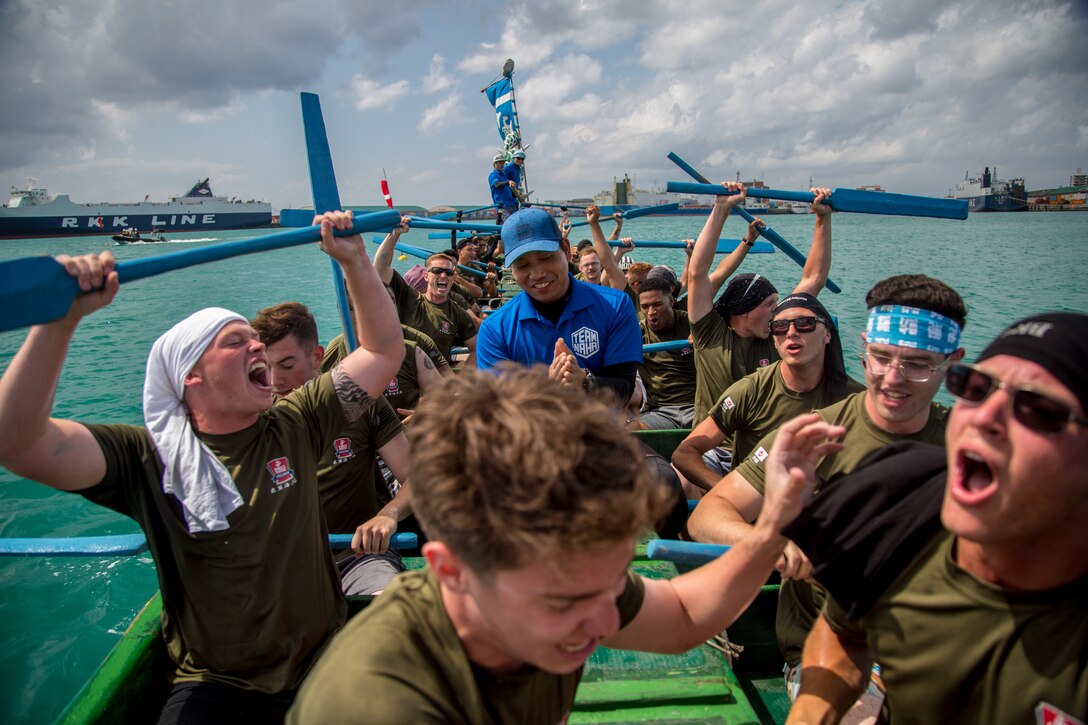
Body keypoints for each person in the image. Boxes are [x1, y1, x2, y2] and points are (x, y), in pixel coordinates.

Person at [0, 211, 404, 721]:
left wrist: (353, 260)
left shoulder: (296, 422)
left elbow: (384, 349)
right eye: (235, 342)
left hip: (322, 662)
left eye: (253, 339)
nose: (256, 345)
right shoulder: (146, 458)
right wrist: (60, 321)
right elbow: (18, 441)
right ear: (190, 376)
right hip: (217, 686)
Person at [287, 366, 848, 724]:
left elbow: (679, 615)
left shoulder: (564, 591)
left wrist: (772, 523)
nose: (604, 621)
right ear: (451, 571)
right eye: (564, 602)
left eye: (611, 583)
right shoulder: (378, 702)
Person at [785, 312, 1088, 725]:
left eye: (1037, 409)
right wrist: (809, 714)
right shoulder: (901, 507)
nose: (983, 417)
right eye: (976, 389)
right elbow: (844, 632)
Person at [687, 274, 967, 718]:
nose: (893, 380)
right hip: (831, 643)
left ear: (953, 362)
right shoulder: (814, 433)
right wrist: (769, 543)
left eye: (917, 365)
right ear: (862, 347)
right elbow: (708, 514)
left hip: (941, 646)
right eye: (879, 359)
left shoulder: (970, 443)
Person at [251, 302, 415, 595]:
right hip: (288, 566)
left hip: (359, 557)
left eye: (287, 366)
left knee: (389, 609)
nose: (275, 381)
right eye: (265, 368)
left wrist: (388, 515)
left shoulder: (365, 405)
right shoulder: (257, 419)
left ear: (316, 357)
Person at [672, 293, 862, 495]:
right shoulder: (751, 390)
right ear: (774, 340)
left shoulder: (856, 398)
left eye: (805, 324)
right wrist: (727, 494)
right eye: (779, 326)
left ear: (827, 334)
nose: (791, 332)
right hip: (756, 502)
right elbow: (685, 452)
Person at [687, 183, 834, 427]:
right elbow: (697, 273)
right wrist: (721, 208)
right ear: (744, 310)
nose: (778, 311)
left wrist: (822, 218)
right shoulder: (709, 334)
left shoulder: (777, 334)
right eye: (770, 304)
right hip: (714, 448)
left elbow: (814, 279)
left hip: (763, 446)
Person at [475, 207, 642, 404]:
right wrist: (548, 389)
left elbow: (624, 387)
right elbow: (497, 407)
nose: (537, 273)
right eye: (522, 265)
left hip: (598, 430)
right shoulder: (495, 329)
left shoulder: (615, 306)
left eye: (545, 257)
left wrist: (585, 382)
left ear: (565, 250)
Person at [374, 218, 478, 367]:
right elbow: (380, 267)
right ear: (426, 276)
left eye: (448, 273)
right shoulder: (409, 297)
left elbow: (477, 349)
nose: (443, 275)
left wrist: (460, 381)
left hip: (435, 378)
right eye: (437, 271)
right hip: (403, 375)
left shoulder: (458, 312)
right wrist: (395, 234)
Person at [634, 274, 697, 430]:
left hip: (697, 407)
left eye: (657, 304)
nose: (651, 312)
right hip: (660, 411)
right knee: (629, 434)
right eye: (645, 307)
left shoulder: (692, 324)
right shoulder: (637, 332)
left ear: (671, 301)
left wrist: (703, 338)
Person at [489, 154, 518, 219]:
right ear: (494, 164)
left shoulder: (503, 175)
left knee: (517, 222)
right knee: (508, 223)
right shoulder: (493, 175)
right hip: (503, 205)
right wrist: (508, 182)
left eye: (503, 163)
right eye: (500, 163)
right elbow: (496, 185)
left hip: (511, 204)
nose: (502, 165)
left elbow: (507, 190)